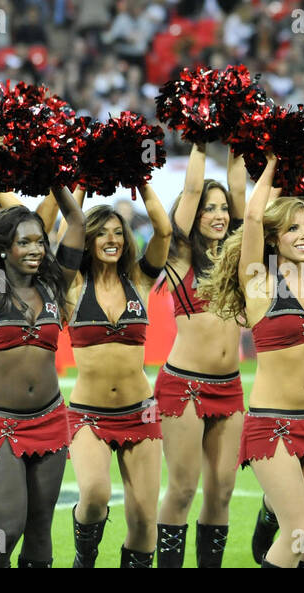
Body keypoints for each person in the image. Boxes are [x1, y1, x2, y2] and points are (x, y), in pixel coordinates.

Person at [201, 155, 304, 567]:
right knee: (296, 528)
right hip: (272, 422)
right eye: (294, 229)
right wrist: (276, 163)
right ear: (274, 238)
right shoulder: (260, 282)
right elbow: (254, 215)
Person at [0, 139, 84, 568]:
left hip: (50, 418)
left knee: (41, 524)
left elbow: (77, 221)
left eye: (40, 242)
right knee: (7, 527)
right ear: (5, 248)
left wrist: (51, 173)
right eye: (24, 242)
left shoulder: (52, 286)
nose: (35, 250)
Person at [64, 184, 172, 568]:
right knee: (93, 494)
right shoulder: (72, 285)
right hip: (88, 414)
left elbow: (163, 231)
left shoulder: (139, 282)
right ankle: (85, 558)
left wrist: (139, 180)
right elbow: (67, 229)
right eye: (101, 233)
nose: (111, 240)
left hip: (140, 412)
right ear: (87, 238)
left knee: (145, 519)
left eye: (117, 232)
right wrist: (77, 182)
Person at [153, 144, 247, 568]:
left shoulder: (238, 258)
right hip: (184, 387)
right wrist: (199, 142)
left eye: (222, 208)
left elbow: (242, 194)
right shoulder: (179, 259)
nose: (219, 214)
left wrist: (239, 139)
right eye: (210, 208)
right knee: (183, 489)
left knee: (223, 490)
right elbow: (189, 192)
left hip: (230, 389)